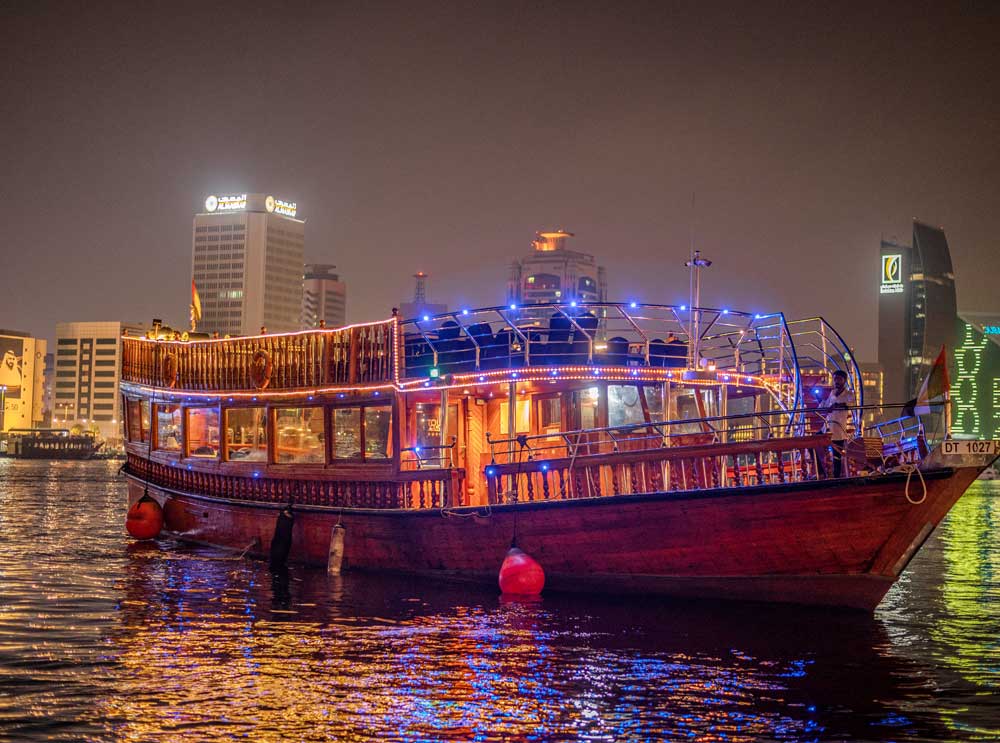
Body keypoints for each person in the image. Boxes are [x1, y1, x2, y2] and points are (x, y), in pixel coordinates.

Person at [818, 369, 855, 477]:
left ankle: (836, 478)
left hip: (839, 430)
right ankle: (821, 471)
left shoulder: (848, 394)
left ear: (844, 380)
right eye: (835, 379)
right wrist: (820, 400)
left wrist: (836, 406)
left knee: (837, 457)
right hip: (827, 427)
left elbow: (850, 404)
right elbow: (826, 406)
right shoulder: (832, 393)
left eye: (839, 379)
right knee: (812, 445)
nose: (836, 381)